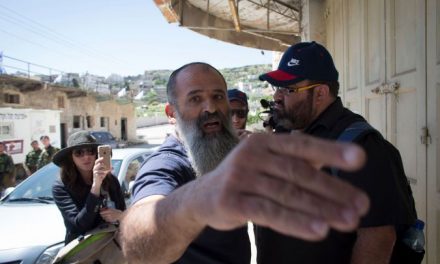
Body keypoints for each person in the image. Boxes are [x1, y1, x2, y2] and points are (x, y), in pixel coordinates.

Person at [120, 62, 371, 264]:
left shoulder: (222, 152)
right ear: (171, 113)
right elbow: (137, 246)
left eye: (218, 97)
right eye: (195, 99)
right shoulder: (166, 163)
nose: (211, 108)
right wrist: (197, 201)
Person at [257, 41, 416, 264]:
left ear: (320, 93)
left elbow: (377, 238)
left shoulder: (361, 146)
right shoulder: (285, 130)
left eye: (288, 89)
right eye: (277, 88)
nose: (277, 97)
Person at [52, 131, 126, 244]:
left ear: (96, 154)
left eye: (90, 151)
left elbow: (124, 213)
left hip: (111, 247)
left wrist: (120, 216)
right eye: (79, 153)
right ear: (70, 157)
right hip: (83, 252)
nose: (86, 157)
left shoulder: (111, 180)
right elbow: (80, 225)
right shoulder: (60, 186)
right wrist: (96, 185)